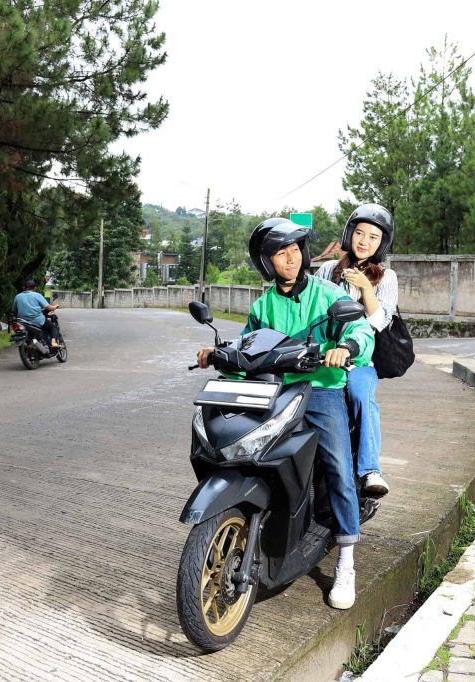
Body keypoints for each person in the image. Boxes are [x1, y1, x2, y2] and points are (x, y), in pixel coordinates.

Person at [196, 218, 375, 610]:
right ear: (267, 262)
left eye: (295, 250)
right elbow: (247, 348)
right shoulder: (263, 306)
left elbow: (362, 331)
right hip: (273, 390)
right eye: (281, 253)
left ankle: (346, 558)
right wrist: (219, 354)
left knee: (339, 467)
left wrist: (345, 348)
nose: (291, 259)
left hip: (321, 389)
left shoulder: (328, 294)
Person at [315, 204, 397, 498]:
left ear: (382, 243)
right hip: (322, 356)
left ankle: (370, 470)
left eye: (373, 237)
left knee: (362, 396)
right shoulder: (327, 270)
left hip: (360, 360)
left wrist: (366, 288)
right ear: (349, 234)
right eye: (360, 233)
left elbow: (378, 322)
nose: (364, 241)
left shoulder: (386, 277)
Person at [13, 279, 60, 347]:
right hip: (37, 321)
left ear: (23, 287)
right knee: (52, 326)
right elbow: (49, 308)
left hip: (22, 322)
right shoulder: (37, 295)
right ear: (35, 288)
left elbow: (14, 310)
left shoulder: (17, 296)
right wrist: (55, 306)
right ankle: (53, 342)